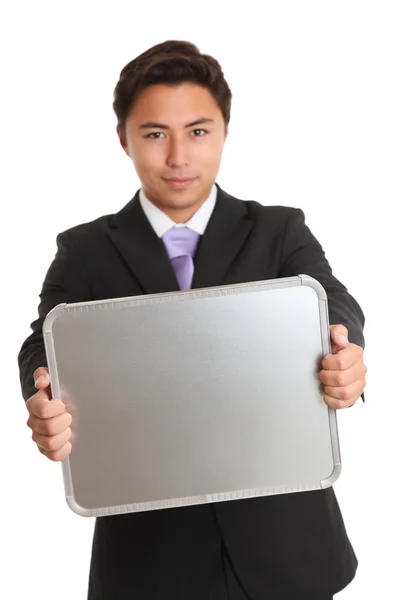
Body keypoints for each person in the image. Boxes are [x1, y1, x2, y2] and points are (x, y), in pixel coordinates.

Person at [18, 40, 367, 600]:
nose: (178, 157)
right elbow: (45, 340)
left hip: (287, 547)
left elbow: (332, 301)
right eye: (155, 134)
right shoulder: (84, 250)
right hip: (149, 558)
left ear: (225, 131)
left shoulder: (278, 230)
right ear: (123, 139)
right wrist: (43, 391)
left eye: (198, 131)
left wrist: (346, 350)